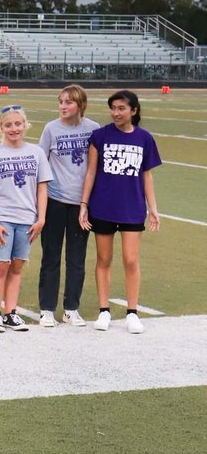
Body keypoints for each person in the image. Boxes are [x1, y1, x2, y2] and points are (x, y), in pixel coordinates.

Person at [79, 90, 161, 334]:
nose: (116, 113)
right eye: (113, 108)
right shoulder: (99, 136)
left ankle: (132, 312)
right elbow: (91, 172)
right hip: (103, 207)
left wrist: (153, 208)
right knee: (104, 259)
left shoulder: (144, 138)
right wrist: (84, 204)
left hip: (132, 208)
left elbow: (146, 176)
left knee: (131, 260)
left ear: (133, 111)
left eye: (121, 108)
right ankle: (104, 310)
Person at [0, 105, 51, 332]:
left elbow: (42, 188)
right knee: (1, 265)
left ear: (25, 125)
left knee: (18, 266)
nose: (14, 129)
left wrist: (41, 219)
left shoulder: (37, 152)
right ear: (0, 127)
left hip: (27, 219)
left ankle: (11, 313)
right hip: (3, 219)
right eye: (8, 125)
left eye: (18, 124)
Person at [37, 85, 98, 327]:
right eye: (61, 101)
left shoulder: (93, 129)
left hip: (81, 204)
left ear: (80, 105)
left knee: (76, 259)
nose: (63, 106)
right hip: (54, 201)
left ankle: (71, 308)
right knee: (51, 257)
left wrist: (88, 202)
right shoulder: (51, 129)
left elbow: (95, 166)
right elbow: (41, 164)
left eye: (69, 102)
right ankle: (47, 309)